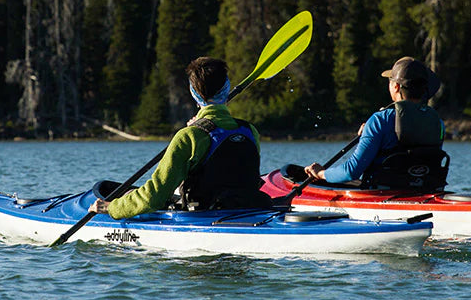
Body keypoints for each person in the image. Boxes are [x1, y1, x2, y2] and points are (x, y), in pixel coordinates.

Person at [91, 56, 272, 218]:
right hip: (250, 211)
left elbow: (154, 197)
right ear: (227, 87)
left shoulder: (189, 136)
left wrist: (112, 207)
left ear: (193, 94)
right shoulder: (249, 130)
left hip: (204, 216)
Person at [304, 56, 445, 185]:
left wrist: (321, 173)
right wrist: (369, 134)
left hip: (382, 191)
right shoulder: (438, 123)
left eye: (390, 81)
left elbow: (351, 172)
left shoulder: (380, 120)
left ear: (396, 86)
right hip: (426, 188)